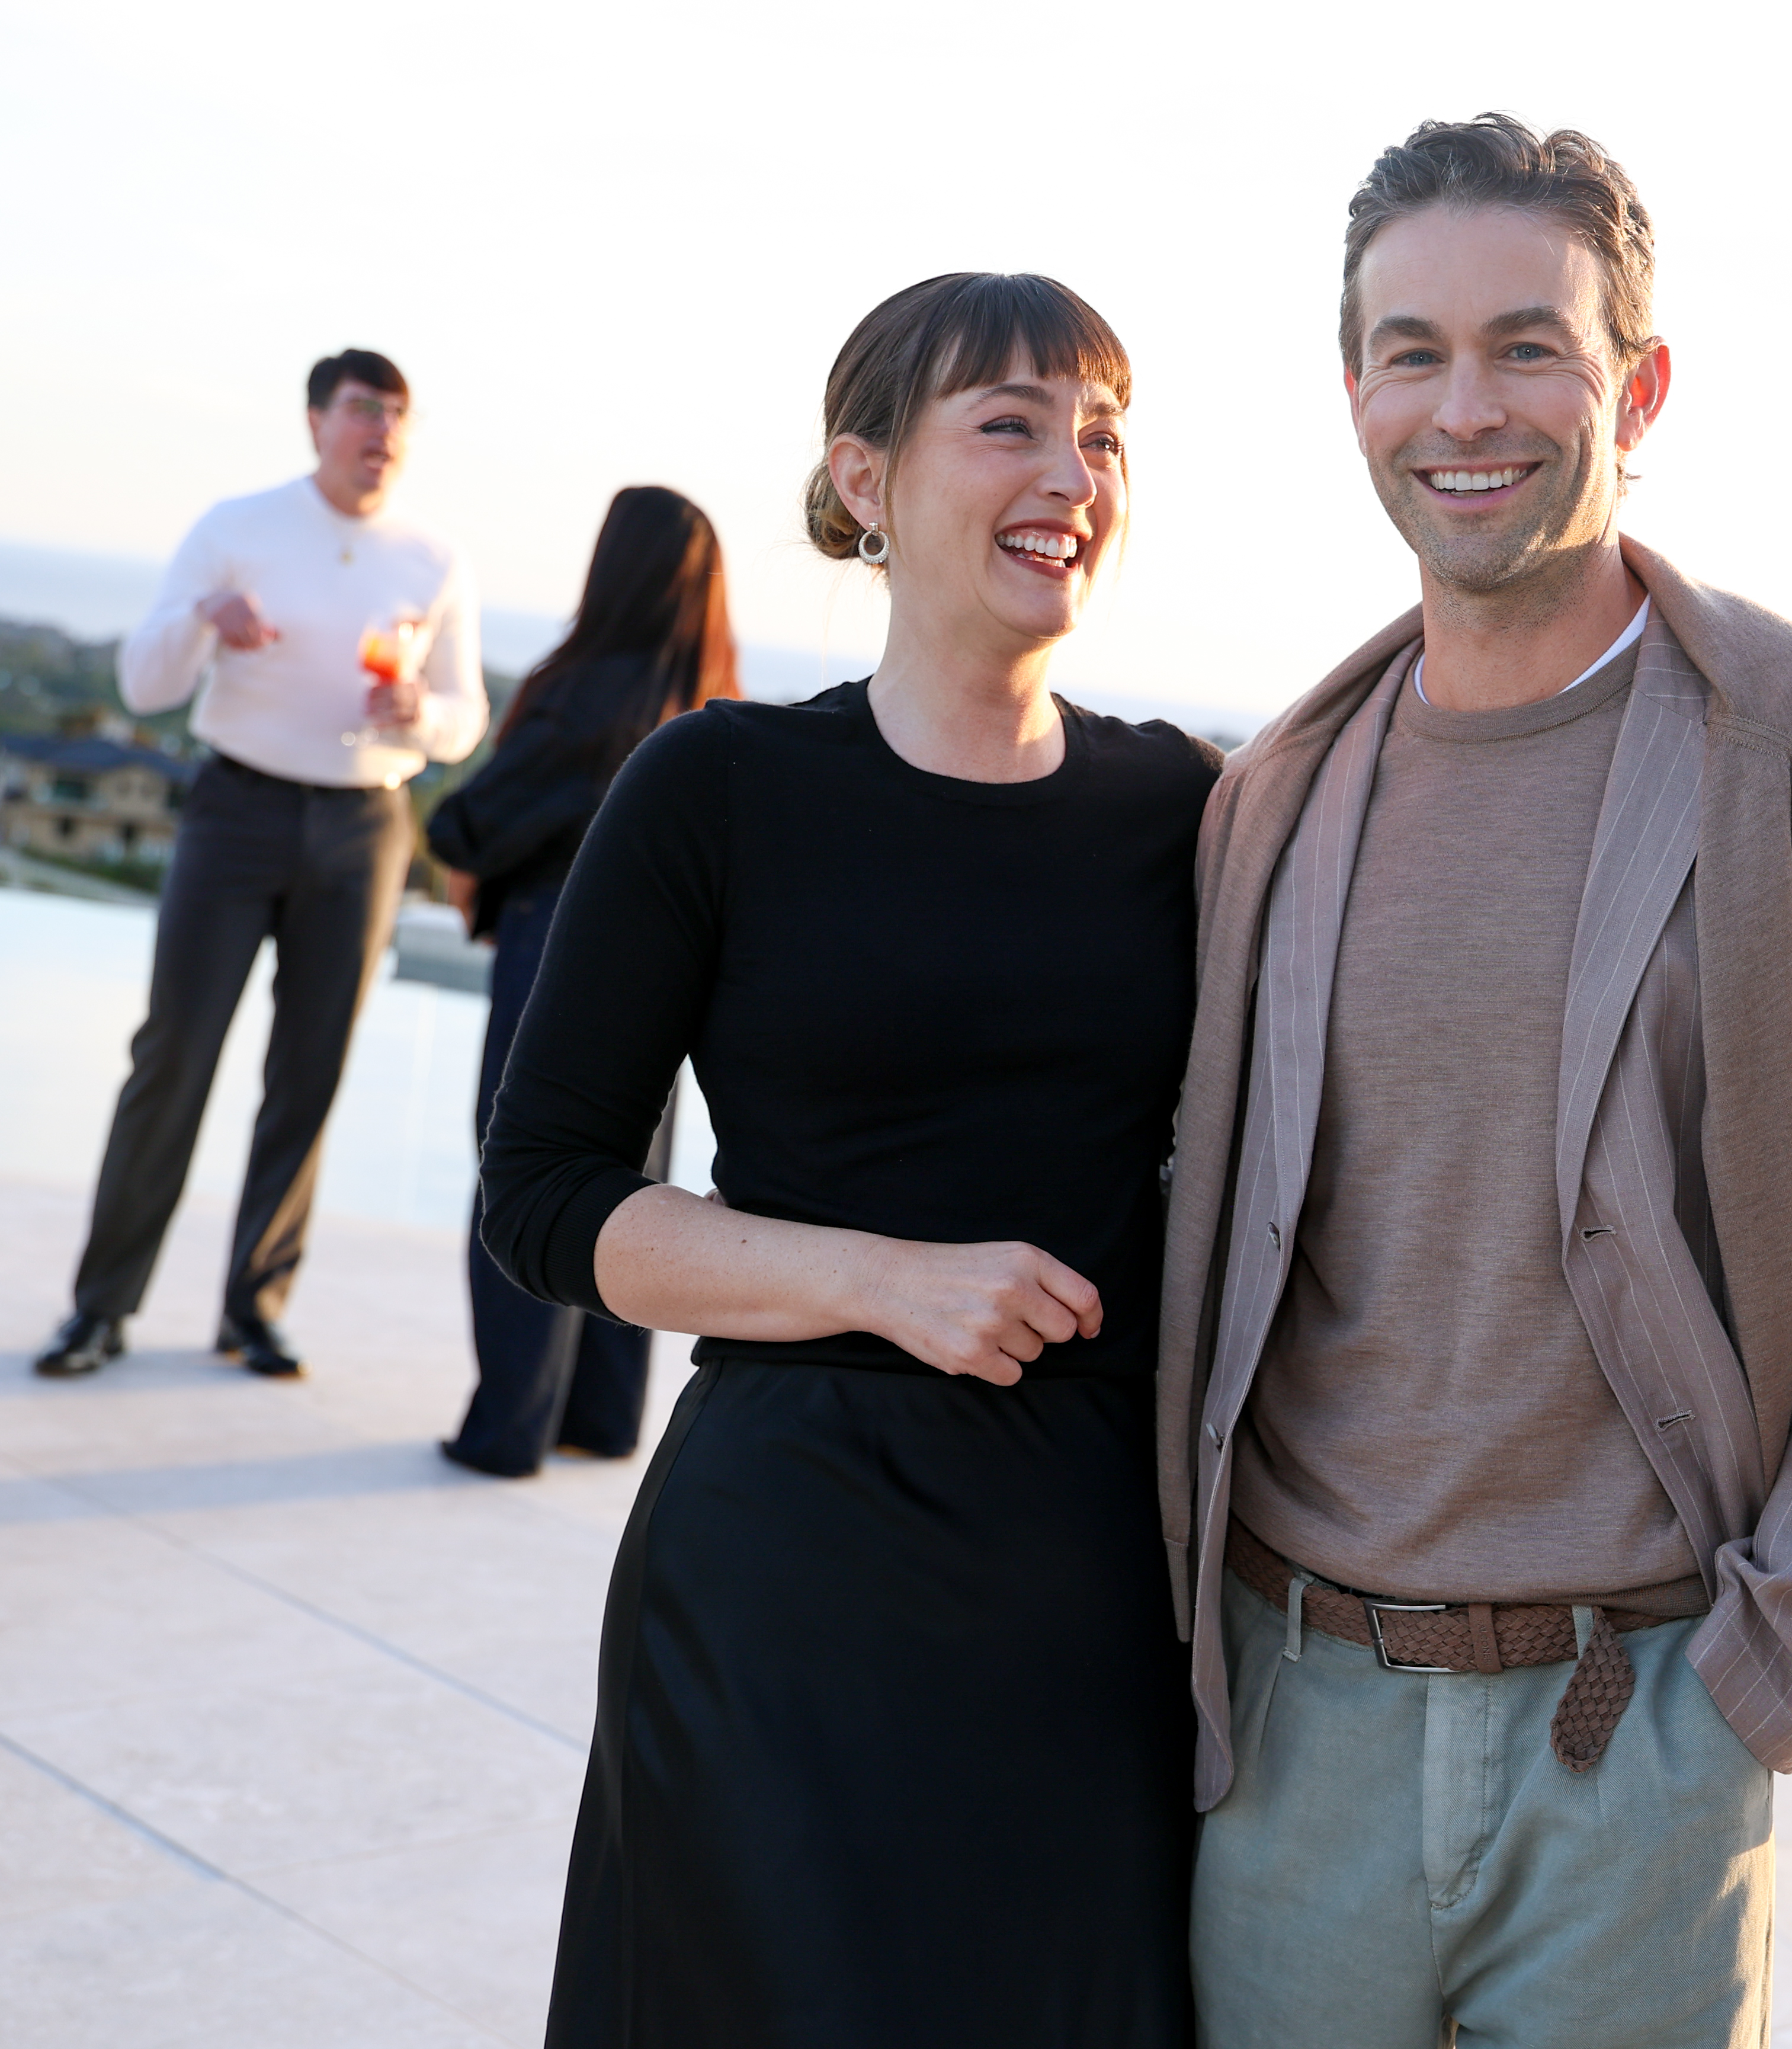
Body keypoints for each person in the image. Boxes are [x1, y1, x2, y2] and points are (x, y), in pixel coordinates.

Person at [1163, 117, 1792, 2046]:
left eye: (1525, 346)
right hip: (1290, 1725)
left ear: (1635, 388)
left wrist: (1757, 1673)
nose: (1462, 408)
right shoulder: (1275, 790)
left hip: (1633, 1733)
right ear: (1352, 391)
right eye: (1409, 351)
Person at [478, 274, 1214, 2047]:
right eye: (1010, 424)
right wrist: (884, 1280)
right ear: (864, 477)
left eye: (1103, 436)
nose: (1071, 475)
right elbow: (547, 1196)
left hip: (1094, 1591)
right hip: (778, 1581)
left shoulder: (1190, 812)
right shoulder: (717, 786)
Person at [35, 348, 486, 1381]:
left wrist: (421, 712)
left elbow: (464, 719)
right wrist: (205, 620)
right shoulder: (236, 528)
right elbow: (144, 685)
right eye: (364, 409)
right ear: (316, 420)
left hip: (367, 824)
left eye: (399, 415)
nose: (383, 431)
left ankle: (256, 1308)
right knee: (174, 1054)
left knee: (310, 1072)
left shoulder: (433, 557)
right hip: (235, 809)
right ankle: (101, 1308)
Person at [427, 486, 741, 1477]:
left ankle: (508, 1427)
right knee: (630, 1188)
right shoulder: (713, 710)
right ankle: (601, 1415)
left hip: (553, 947)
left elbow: (467, 827)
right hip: (673, 973)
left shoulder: (581, 694)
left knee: (528, 1176)